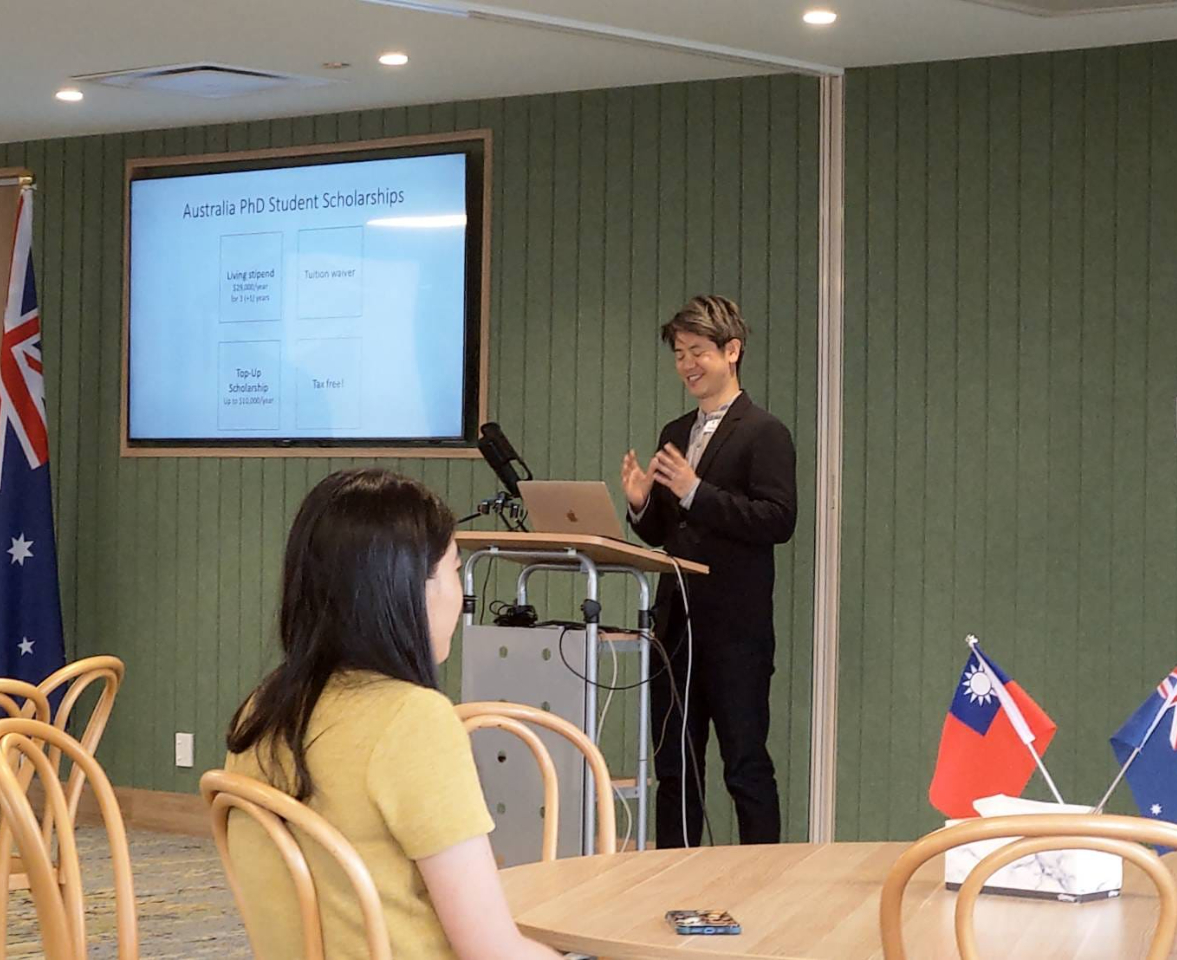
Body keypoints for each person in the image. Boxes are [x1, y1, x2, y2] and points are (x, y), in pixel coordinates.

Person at [224, 468, 560, 960]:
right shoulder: (413, 720)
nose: (462, 596)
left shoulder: (261, 712)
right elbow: (490, 950)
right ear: (410, 588)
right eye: (454, 570)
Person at [620, 295, 797, 848]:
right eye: (679, 354)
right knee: (674, 767)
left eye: (698, 351)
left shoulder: (764, 431)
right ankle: (674, 876)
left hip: (735, 632)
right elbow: (663, 533)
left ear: (732, 351)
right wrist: (640, 504)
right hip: (675, 627)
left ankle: (764, 880)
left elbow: (778, 519)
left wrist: (697, 491)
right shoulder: (675, 431)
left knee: (744, 766)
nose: (687, 365)